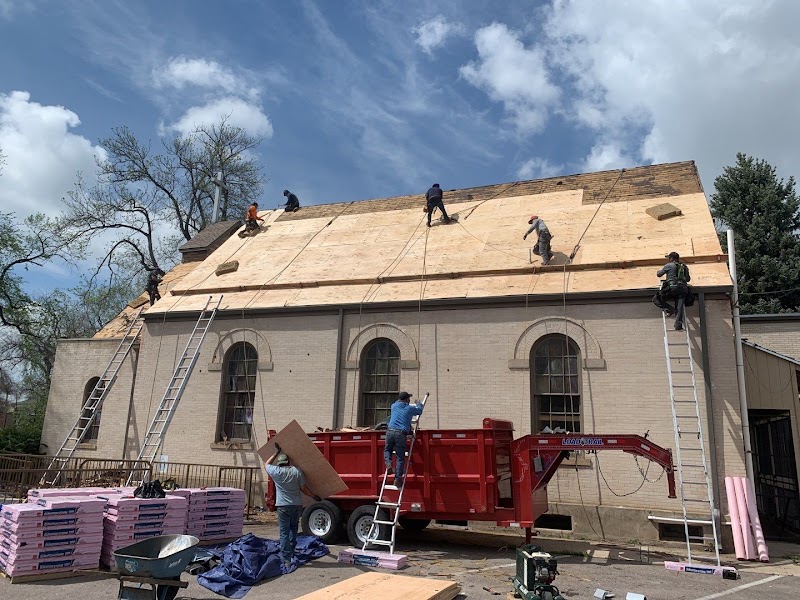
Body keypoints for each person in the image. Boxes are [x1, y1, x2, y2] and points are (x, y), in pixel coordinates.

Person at [264, 445, 321, 570]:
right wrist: (314, 496)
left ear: (279, 463)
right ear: (288, 462)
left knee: (284, 532)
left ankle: (286, 560)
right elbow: (304, 489)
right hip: (296, 505)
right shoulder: (297, 471)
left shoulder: (276, 472)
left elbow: (266, 464)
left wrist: (275, 453)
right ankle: (293, 551)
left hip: (282, 506)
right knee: (293, 530)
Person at [384, 391, 424, 487]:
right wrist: (418, 403)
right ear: (407, 400)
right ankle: (397, 479)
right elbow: (419, 411)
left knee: (387, 449)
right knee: (400, 458)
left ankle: (388, 464)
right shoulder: (409, 408)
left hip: (389, 432)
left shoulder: (394, 406)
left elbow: (398, 403)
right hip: (400, 434)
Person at [653, 251, 691, 330]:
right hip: (683, 289)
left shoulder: (669, 265)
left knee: (656, 299)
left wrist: (659, 271)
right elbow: (688, 279)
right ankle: (678, 325)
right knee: (680, 305)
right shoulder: (684, 266)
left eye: (669, 258)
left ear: (672, 258)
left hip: (672, 288)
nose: (669, 259)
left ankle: (670, 309)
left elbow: (659, 274)